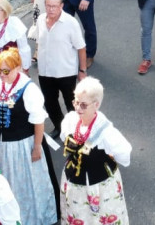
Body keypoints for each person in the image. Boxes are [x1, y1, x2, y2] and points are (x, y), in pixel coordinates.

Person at [0, 48, 58, 225]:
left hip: (22, 146)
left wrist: (37, 147)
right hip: (0, 145)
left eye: (6, 71)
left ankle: (32, 219)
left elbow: (38, 120)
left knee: (28, 185)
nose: (1, 75)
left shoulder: (28, 89)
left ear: (17, 68)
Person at [59, 78, 131, 224]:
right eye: (76, 102)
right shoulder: (70, 120)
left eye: (83, 105)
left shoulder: (105, 131)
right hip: (73, 180)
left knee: (101, 216)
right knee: (76, 213)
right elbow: (64, 136)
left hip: (98, 185)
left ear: (96, 105)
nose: (78, 108)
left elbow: (124, 153)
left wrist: (106, 157)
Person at [35, 0, 87, 140]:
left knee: (71, 103)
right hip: (45, 72)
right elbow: (40, 42)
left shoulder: (70, 23)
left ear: (62, 6)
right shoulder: (40, 20)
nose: (51, 9)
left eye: (54, 6)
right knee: (50, 103)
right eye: (48, 6)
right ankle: (60, 126)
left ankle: (77, 130)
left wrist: (82, 70)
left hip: (66, 72)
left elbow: (81, 48)